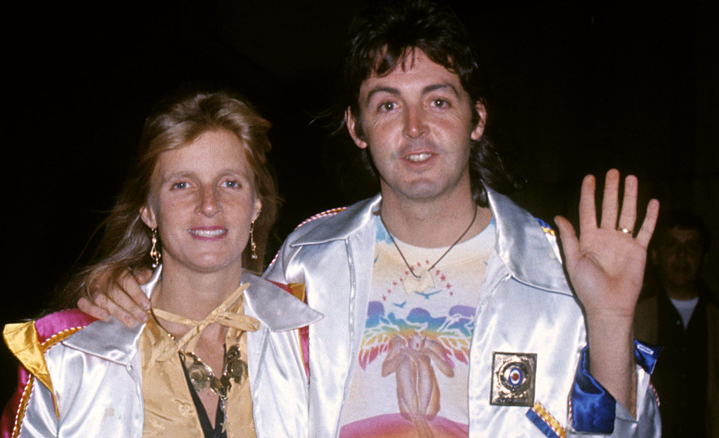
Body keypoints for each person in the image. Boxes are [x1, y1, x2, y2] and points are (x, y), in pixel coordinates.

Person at [80, 1, 662, 436]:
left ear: (478, 119)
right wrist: (125, 291)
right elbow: (210, 326)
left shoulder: (556, 273)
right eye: (387, 104)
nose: (415, 128)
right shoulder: (308, 262)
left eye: (438, 100)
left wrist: (611, 322)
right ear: (357, 127)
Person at [0, 88, 321, 437]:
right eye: (182, 185)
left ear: (256, 205)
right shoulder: (71, 358)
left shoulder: (309, 340)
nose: (209, 204)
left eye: (230, 183)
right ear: (149, 211)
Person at [634, 210, 718, 437]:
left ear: (705, 257)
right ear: (655, 255)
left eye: (692, 246)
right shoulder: (633, 315)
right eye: (671, 245)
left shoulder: (714, 318)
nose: (682, 255)